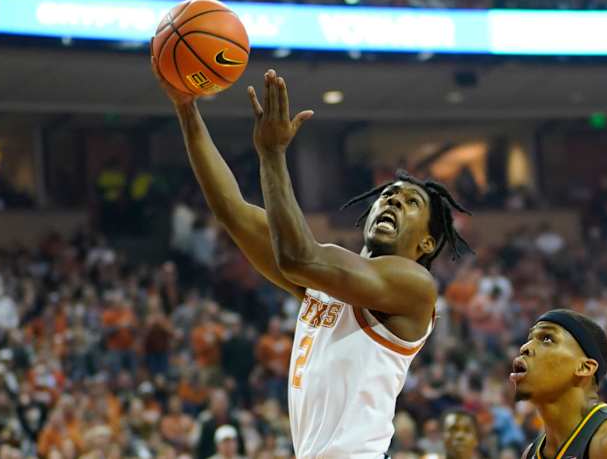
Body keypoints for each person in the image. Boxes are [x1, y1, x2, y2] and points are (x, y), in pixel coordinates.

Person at [152, 56, 471, 458]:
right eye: (387, 196)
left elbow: (299, 257)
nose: (393, 201)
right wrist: (186, 108)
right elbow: (231, 209)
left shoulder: (414, 286)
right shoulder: (328, 282)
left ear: (426, 244)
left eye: (411, 203)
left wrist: (271, 155)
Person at [512, 309, 607, 459]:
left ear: (585, 367)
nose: (525, 348)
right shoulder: (531, 453)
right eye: (529, 339)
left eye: (547, 339)